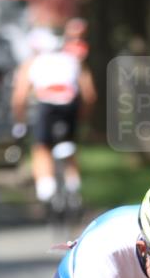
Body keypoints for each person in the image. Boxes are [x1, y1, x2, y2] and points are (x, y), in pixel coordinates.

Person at [11, 27, 96, 206]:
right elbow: (89, 95)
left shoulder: (32, 63)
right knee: (70, 146)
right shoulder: (72, 59)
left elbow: (19, 97)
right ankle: (74, 187)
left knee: (41, 147)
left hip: (46, 105)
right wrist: (84, 119)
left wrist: (20, 123)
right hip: (70, 105)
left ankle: (46, 189)